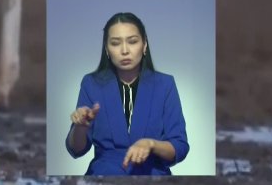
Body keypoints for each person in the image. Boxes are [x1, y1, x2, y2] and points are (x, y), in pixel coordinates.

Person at [65, 12, 190, 175]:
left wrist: (151, 144)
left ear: (144, 45)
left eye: (132, 42)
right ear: (107, 49)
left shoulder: (165, 85)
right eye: (115, 43)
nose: (124, 50)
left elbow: (180, 146)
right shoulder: (91, 84)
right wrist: (80, 127)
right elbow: (76, 150)